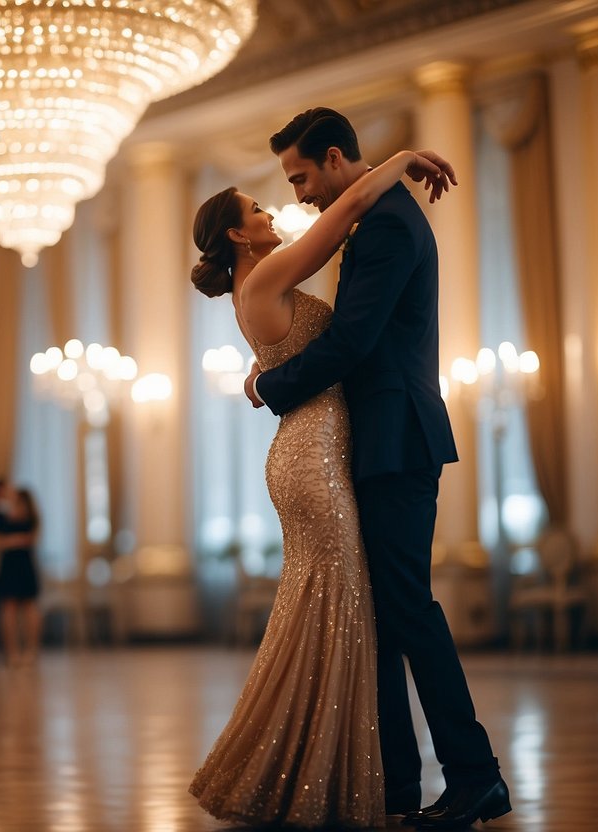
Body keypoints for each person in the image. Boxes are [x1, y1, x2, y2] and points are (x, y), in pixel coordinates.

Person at [244, 108, 508, 829]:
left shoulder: (387, 222)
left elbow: (357, 338)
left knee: (406, 610)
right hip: (381, 437)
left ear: (333, 159)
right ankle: (394, 783)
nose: (297, 193)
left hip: (396, 435)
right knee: (389, 616)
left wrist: (270, 386)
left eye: (300, 176)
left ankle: (474, 775)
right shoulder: (376, 211)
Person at [187, 141, 455, 828]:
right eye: (256, 205)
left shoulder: (260, 283)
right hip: (312, 455)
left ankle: (336, 766)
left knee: (334, 606)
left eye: (289, 184)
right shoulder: (266, 273)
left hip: (317, 450)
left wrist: (261, 378)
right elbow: (351, 204)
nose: (275, 204)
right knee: (340, 605)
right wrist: (401, 158)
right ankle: (314, 766)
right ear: (237, 235)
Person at [0, 487, 42, 666]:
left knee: (29, 608)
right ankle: (11, 652)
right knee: (8, 609)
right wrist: (14, 541)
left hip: (24, 565)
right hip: (9, 567)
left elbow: (30, 539)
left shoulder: (30, 518)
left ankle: (30, 650)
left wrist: (7, 541)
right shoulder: (1, 518)